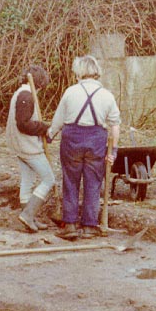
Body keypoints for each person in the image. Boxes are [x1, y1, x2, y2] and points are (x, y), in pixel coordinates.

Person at [47, 55, 120, 240]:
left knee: (70, 182)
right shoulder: (107, 95)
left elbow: (58, 120)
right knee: (93, 183)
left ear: (79, 72)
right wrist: (114, 150)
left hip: (72, 140)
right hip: (96, 142)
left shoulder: (70, 92)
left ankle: (70, 224)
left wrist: (49, 135)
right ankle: (89, 226)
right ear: (97, 72)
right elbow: (115, 125)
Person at [5, 65, 55, 233]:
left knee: (27, 180)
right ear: (40, 82)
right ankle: (28, 214)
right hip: (28, 147)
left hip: (19, 145)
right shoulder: (26, 96)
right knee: (49, 179)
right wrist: (43, 127)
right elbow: (23, 124)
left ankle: (29, 217)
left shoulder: (20, 93)